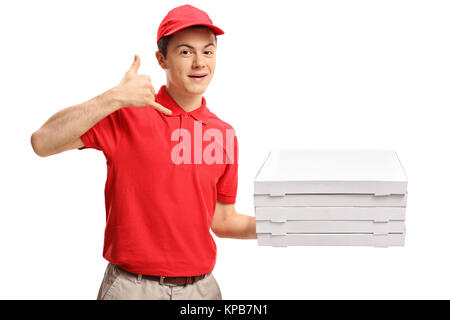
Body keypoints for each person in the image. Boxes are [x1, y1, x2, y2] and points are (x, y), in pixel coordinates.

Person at [30, 4, 256, 300]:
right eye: (186, 52)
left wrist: (285, 224)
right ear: (162, 60)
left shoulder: (222, 133)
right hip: (132, 289)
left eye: (208, 51)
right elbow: (42, 142)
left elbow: (223, 221)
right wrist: (112, 98)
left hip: (202, 290)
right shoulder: (127, 114)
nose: (200, 63)